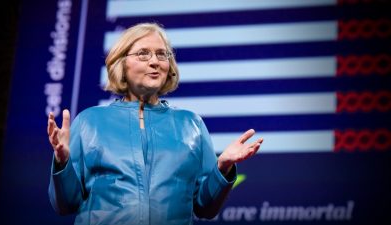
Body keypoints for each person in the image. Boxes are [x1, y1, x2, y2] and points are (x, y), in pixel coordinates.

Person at [47, 22, 263, 225]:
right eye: (143, 54)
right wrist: (62, 162)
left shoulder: (191, 125)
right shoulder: (89, 122)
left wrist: (222, 168)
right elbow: (65, 205)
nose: (155, 61)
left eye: (162, 54)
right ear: (121, 63)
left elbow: (205, 208)